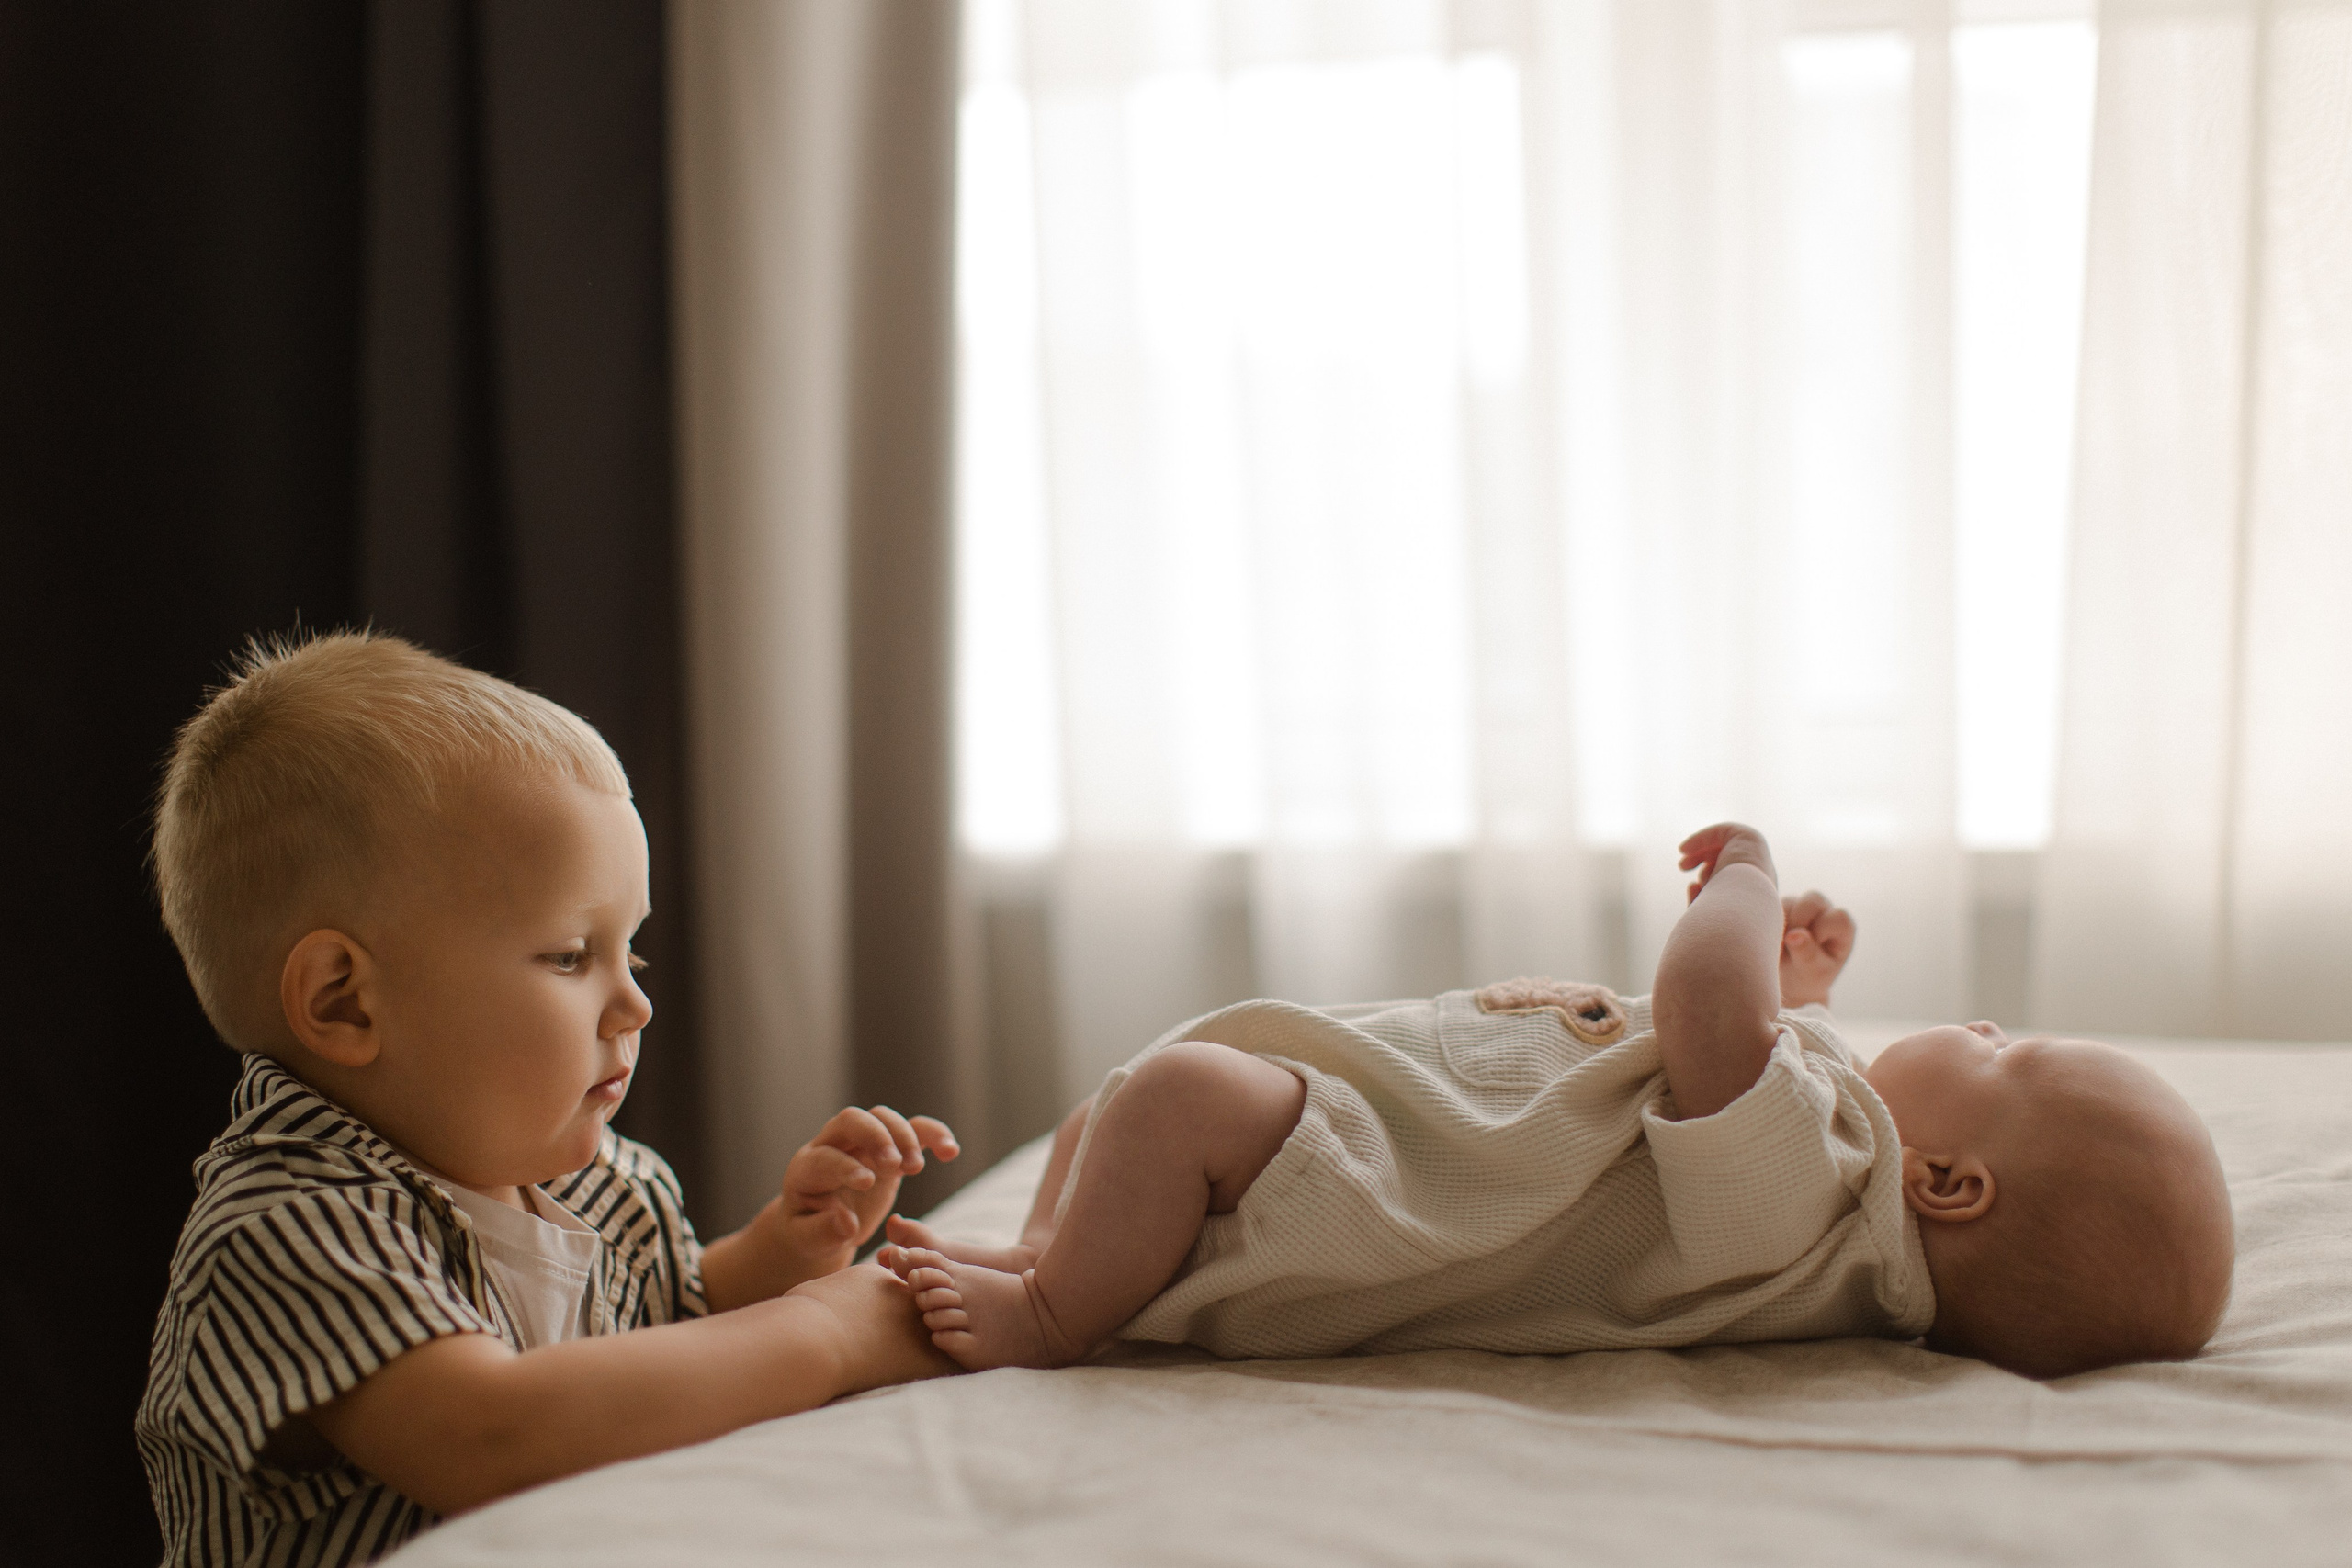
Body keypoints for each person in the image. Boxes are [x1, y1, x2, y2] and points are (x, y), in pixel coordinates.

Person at [138, 631, 958, 1568]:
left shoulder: (609, 1183)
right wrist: (823, 1333)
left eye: (632, 951)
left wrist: (784, 1253)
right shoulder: (284, 1230)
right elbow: (494, 1438)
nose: (636, 1002)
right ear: (345, 1001)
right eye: (571, 955)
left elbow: (674, 1328)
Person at [882, 823, 2235, 1382]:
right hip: (1390, 1131)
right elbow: (1758, 1071)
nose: (1984, 1022)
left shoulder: (1823, 1195)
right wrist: (1805, 997)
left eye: (2010, 1052)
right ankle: (1042, 1247)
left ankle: (1051, 1311)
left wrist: (1749, 887)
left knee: (1172, 1099)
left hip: (1375, 1186)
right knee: (1117, 1115)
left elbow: (1710, 1025)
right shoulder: (1828, 1183)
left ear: (1947, 1181)